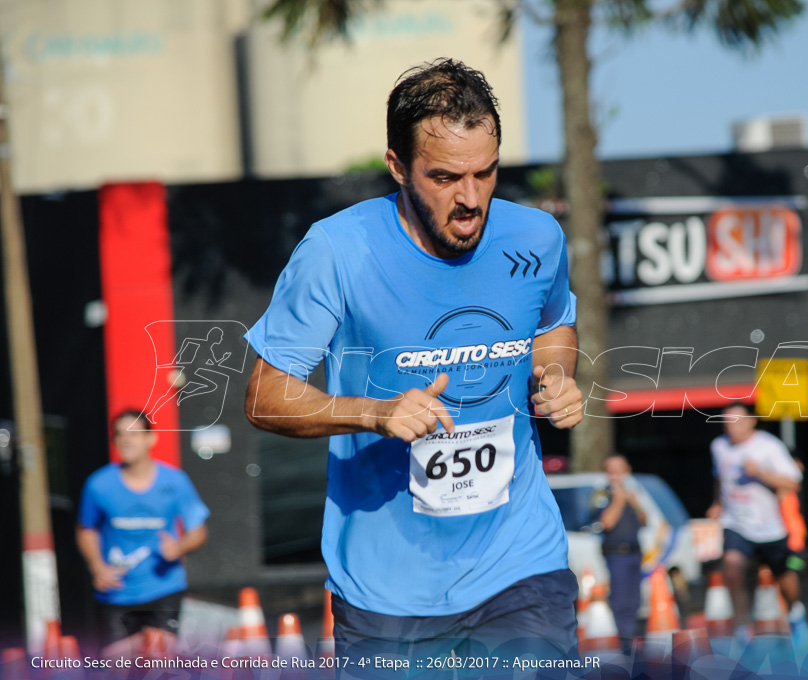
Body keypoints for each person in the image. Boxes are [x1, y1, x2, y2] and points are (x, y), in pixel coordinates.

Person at [243, 58, 583, 664]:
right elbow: (265, 396)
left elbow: (555, 325)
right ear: (398, 167)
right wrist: (375, 413)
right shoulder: (338, 252)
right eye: (447, 177)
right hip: (386, 589)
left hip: (519, 562)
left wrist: (555, 375)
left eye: (487, 172)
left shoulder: (536, 238)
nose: (471, 198)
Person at [77, 409, 209, 649]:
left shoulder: (175, 482)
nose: (126, 440)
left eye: (134, 433)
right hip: (116, 592)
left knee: (161, 662)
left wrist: (179, 546)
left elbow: (198, 531)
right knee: (117, 665)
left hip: (163, 588)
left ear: (151, 438)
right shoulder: (99, 485)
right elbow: (86, 529)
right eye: (119, 434)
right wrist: (97, 567)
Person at [706, 403, 808, 642]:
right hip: (736, 523)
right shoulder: (719, 446)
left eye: (737, 421)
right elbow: (719, 477)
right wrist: (717, 503)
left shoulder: (769, 446)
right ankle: (742, 627)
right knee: (732, 567)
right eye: (727, 422)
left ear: (751, 420)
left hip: (769, 526)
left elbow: (794, 483)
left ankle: (795, 612)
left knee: (785, 576)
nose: (731, 427)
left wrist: (760, 472)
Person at [591, 455, 646, 641]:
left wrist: (633, 501)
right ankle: (623, 637)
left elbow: (644, 519)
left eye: (619, 471)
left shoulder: (634, 492)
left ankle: (632, 634)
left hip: (634, 550)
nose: (616, 476)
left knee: (634, 598)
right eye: (611, 472)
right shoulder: (602, 495)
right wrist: (619, 500)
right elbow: (607, 522)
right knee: (620, 598)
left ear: (627, 471)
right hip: (616, 552)